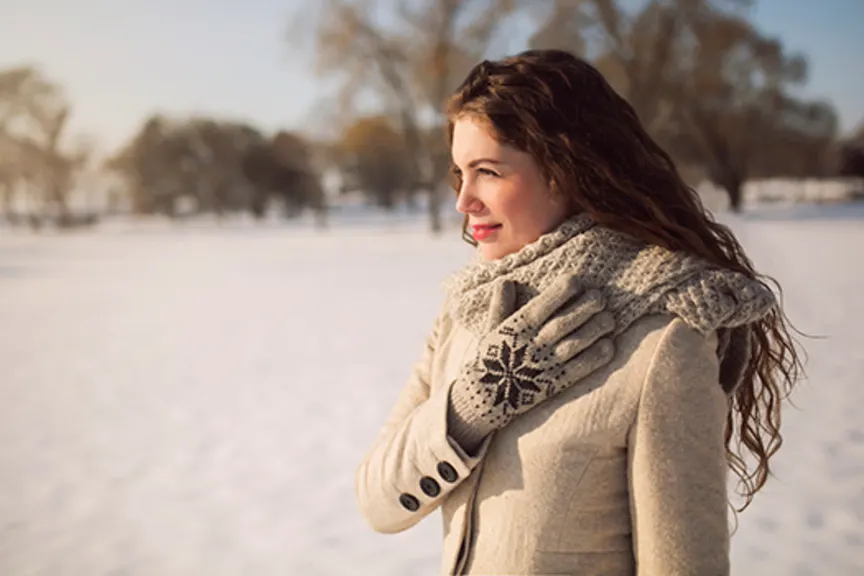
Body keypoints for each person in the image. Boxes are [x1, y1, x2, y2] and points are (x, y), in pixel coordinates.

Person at [354, 49, 800, 576]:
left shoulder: (664, 337)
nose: (464, 200)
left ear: (563, 172)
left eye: (488, 172)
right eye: (459, 173)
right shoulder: (464, 314)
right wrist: (470, 408)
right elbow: (377, 500)